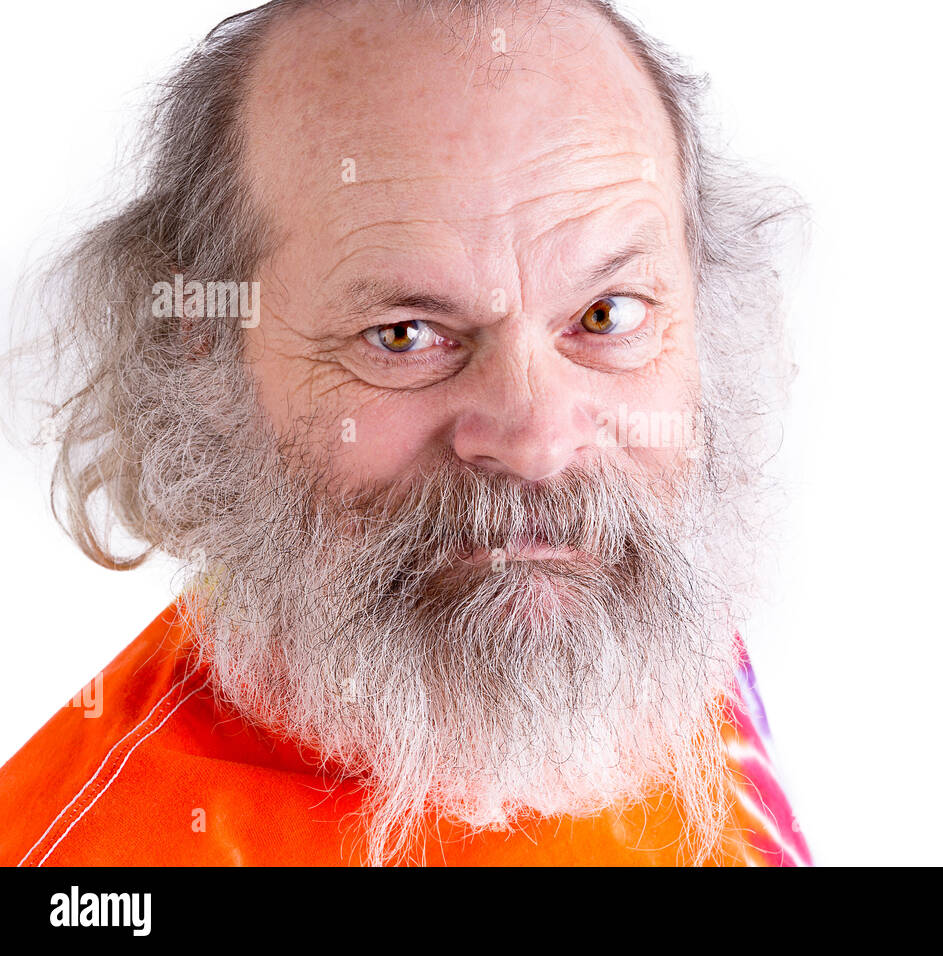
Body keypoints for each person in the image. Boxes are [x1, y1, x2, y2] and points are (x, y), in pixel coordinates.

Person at [0, 0, 810, 866]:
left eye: (604, 315)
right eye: (404, 336)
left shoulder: (633, 624)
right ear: (205, 353)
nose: (539, 444)